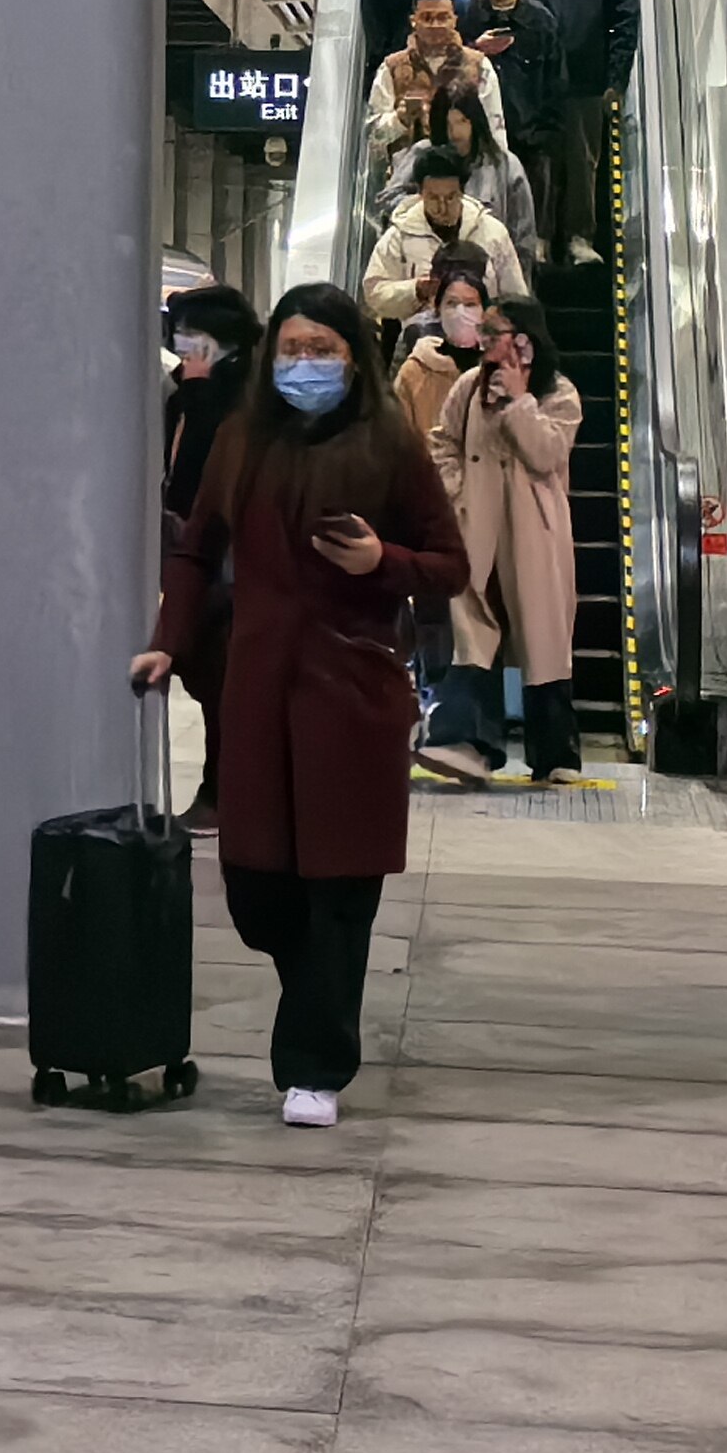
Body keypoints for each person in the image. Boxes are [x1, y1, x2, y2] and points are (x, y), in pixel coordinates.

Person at [134, 283, 468, 1128]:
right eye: (292, 349)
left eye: (322, 350)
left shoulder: (389, 443)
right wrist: (169, 639)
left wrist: (381, 561)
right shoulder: (242, 438)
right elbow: (195, 549)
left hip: (352, 693)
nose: (305, 364)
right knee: (258, 889)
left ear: (354, 358)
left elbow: (449, 564)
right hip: (256, 689)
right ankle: (313, 1004)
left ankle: (315, 1066)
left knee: (340, 892)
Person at [417, 295, 591, 789]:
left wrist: (519, 401)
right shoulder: (469, 387)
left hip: (533, 533)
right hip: (477, 529)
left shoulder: (558, 393)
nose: (485, 342)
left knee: (543, 642)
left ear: (525, 340)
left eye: (496, 333)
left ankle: (554, 753)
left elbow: (546, 453)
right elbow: (442, 441)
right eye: (486, 333)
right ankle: (468, 742)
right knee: (474, 634)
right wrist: (456, 492)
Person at [157, 285, 259, 822]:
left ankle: (224, 791)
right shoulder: (185, 396)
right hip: (191, 551)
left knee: (223, 677)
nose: (181, 346)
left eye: (191, 336)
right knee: (206, 674)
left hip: (227, 558)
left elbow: (205, 479)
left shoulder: (238, 403)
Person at [525, 0, 639, 267]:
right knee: (540, 160)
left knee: (582, 160)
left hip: (587, 78)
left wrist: (616, 79)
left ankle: (580, 235)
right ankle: (538, 234)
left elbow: (625, 22)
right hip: (540, 80)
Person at [383, 81, 539, 271]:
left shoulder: (504, 165)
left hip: (487, 269)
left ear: (475, 121)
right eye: (447, 124)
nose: (455, 133)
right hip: (427, 267)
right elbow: (388, 200)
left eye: (462, 122)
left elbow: (523, 234)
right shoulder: (422, 154)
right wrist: (427, 205)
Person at [364, 146, 529, 321]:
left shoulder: (493, 232)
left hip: (483, 332)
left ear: (462, 192)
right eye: (433, 198)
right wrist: (415, 290)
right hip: (422, 333)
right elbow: (374, 292)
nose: (442, 207)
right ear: (420, 194)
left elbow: (516, 297)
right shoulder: (400, 235)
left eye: (450, 197)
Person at [467, 0, 566, 221]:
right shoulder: (465, 13)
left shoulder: (540, 21)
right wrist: (474, 49)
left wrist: (544, 136)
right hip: (474, 138)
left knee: (528, 221)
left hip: (529, 139)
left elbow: (556, 83)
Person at [372, 0, 510, 162]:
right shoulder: (392, 67)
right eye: (427, 18)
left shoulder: (479, 65)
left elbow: (495, 127)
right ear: (413, 21)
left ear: (455, 20)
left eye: (443, 17)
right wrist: (400, 119)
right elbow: (373, 137)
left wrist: (500, 169)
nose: (435, 25)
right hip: (406, 172)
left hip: (468, 171)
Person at [393, 252, 496, 431]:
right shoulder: (415, 370)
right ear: (437, 309)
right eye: (451, 303)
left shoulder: (498, 369)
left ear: (484, 312)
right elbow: (399, 432)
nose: (460, 312)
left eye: (470, 304)